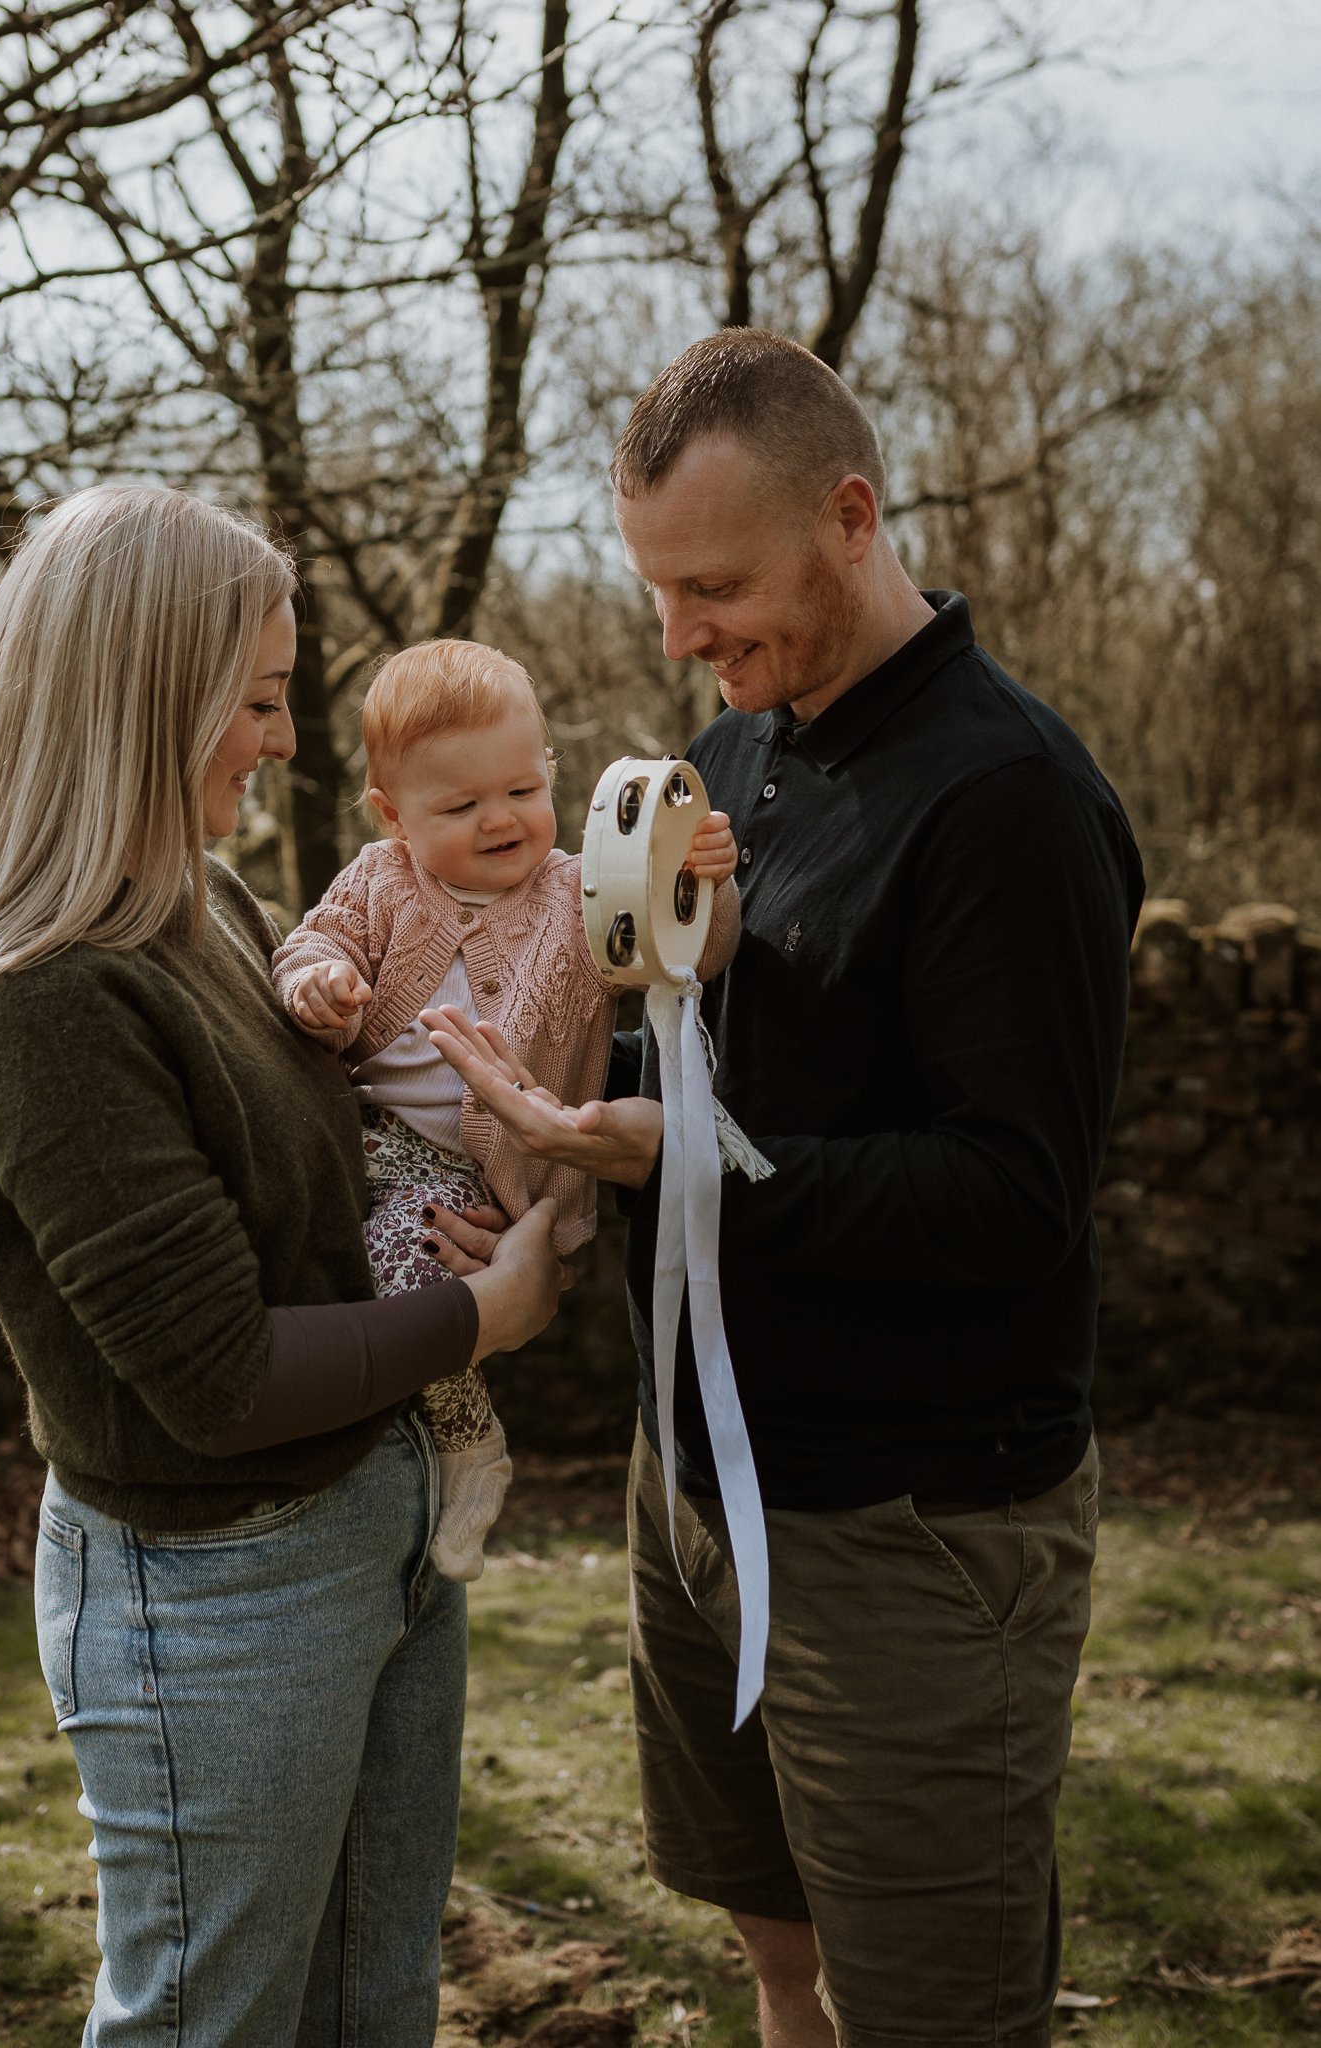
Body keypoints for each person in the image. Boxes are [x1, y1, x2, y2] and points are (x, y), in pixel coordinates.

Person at [423, 329, 1146, 2048]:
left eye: (715, 585)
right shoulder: (724, 757)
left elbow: (1007, 1194)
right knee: (778, 1956)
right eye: (657, 590)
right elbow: (701, 1067)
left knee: (931, 2014)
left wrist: (693, 1164)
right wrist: (550, 1134)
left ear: (849, 513)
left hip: (908, 1530)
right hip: (694, 1485)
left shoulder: (1009, 803)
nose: (678, 635)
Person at [0, 485, 567, 2048]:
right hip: (215, 1590)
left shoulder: (206, 903)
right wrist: (480, 1313)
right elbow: (214, 1377)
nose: (280, 741)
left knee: (369, 2009)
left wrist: (437, 1226)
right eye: (261, 700)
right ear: (150, 692)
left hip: (379, 1527)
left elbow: (300, 1193)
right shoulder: (39, 992)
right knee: (211, 2024)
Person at [272, 638, 741, 1580]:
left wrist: (705, 882)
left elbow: (682, 954)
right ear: (391, 815)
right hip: (365, 1139)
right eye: (460, 805)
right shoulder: (378, 880)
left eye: (523, 791)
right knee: (304, 1272)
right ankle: (363, 1476)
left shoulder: (580, 894)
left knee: (406, 1267)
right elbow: (310, 943)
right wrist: (314, 984)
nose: (501, 821)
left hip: (497, 1169)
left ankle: (468, 1443)